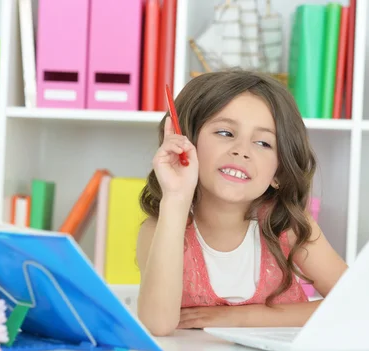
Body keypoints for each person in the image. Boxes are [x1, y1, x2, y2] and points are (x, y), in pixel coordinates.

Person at [136, 70, 348, 336]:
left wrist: (239, 316)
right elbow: (157, 324)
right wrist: (176, 198)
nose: (242, 151)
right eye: (225, 132)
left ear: (279, 173)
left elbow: (356, 304)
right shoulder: (159, 230)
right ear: (185, 142)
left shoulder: (288, 225)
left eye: (263, 142)